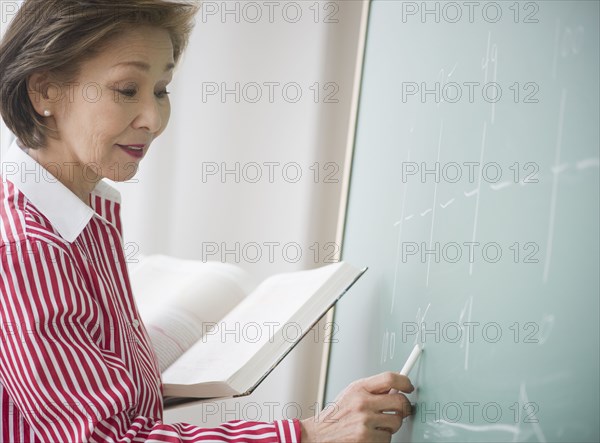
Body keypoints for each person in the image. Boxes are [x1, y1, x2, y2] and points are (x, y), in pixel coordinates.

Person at [0, 1, 414, 441]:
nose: (153, 120)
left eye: (161, 90)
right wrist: (310, 434)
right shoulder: (27, 248)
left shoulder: (81, 214)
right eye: (126, 89)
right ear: (44, 92)